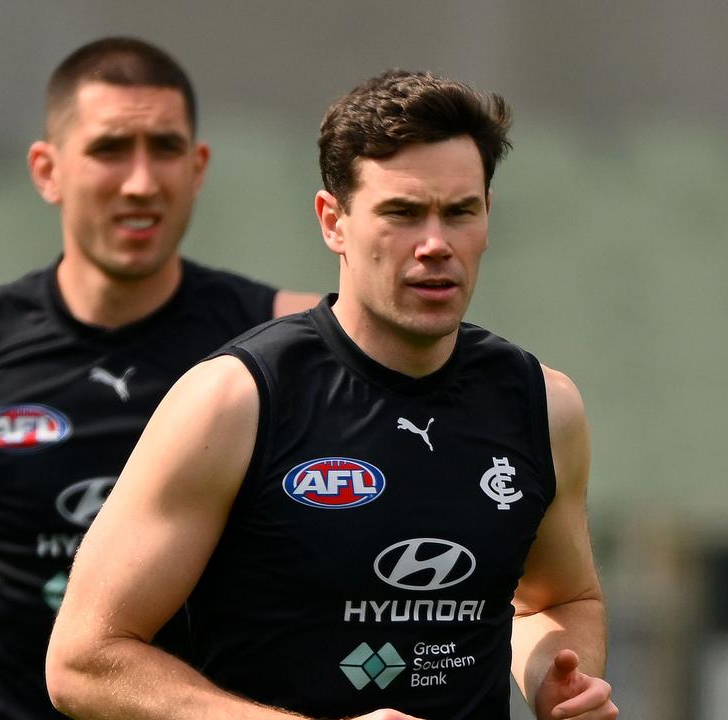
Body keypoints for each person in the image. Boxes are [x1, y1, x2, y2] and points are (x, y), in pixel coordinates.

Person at [47, 69, 618, 720]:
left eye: (460, 212)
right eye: (402, 213)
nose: (436, 245)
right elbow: (84, 662)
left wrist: (555, 676)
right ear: (333, 221)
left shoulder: (543, 406)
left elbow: (557, 600)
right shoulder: (232, 402)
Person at [0, 36, 317, 720]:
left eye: (165, 149)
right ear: (47, 170)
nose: (141, 181)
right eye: (110, 149)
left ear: (198, 168)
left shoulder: (294, 345)